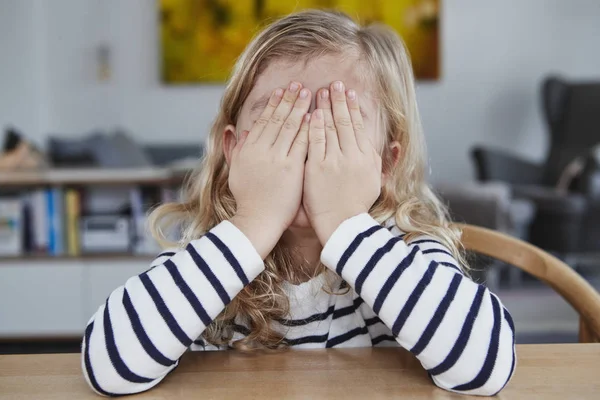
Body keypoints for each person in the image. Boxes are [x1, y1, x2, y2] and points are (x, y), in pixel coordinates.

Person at [82, 10, 515, 396]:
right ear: (233, 152)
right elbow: (108, 366)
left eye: (337, 122)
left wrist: (347, 225)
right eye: (280, 120)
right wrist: (255, 221)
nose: (308, 143)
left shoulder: (406, 250)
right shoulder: (212, 257)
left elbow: (487, 365)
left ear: (386, 161)